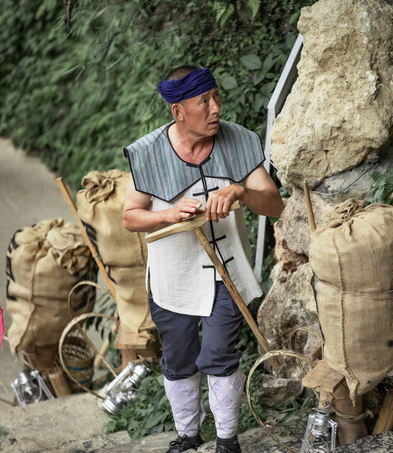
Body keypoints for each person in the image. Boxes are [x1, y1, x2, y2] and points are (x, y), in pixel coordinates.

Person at [122, 65, 284, 453]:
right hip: (172, 273)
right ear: (178, 111)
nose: (215, 108)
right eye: (203, 102)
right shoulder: (147, 152)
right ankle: (188, 436)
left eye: (216, 97)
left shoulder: (240, 141)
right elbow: (130, 217)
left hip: (225, 269)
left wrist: (240, 191)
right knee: (178, 357)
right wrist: (167, 213)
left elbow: (274, 204)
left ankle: (228, 442)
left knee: (220, 353)